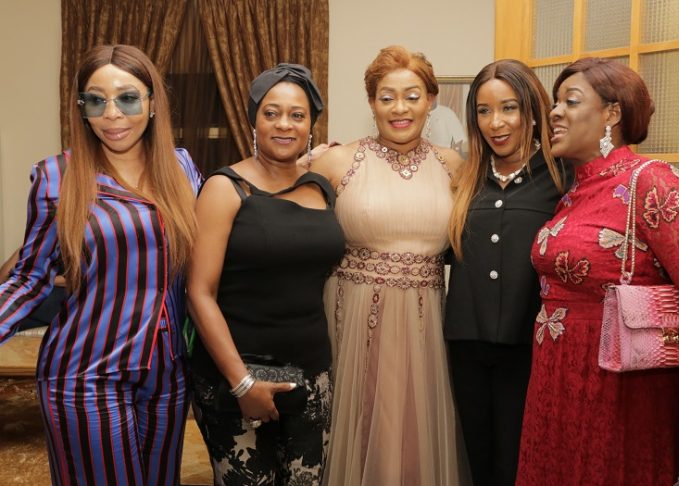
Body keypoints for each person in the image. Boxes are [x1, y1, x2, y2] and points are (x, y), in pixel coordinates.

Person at [516, 57, 679, 486]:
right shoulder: (574, 193)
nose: (554, 113)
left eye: (570, 101)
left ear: (612, 113)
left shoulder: (652, 182)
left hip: (621, 394)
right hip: (556, 387)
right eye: (555, 103)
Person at [0, 44, 201, 485]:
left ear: (152, 103)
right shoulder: (55, 176)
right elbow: (29, 277)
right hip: (86, 374)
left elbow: (218, 243)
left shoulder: (182, 169)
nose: (112, 114)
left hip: (167, 375)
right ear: (82, 109)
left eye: (128, 98)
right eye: (96, 100)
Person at [311, 45, 466, 486]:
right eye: (387, 97)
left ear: (431, 100)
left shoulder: (453, 166)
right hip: (353, 319)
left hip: (426, 325)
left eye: (412, 96)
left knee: (417, 436)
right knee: (359, 431)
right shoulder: (336, 162)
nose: (400, 108)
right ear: (371, 103)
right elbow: (294, 233)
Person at [187, 63, 344, 485]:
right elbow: (199, 293)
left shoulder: (321, 187)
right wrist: (242, 383)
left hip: (312, 373)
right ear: (253, 120)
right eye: (271, 113)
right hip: (236, 375)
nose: (284, 124)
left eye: (297, 115)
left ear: (311, 124)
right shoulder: (225, 188)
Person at [445, 60, 569, 486]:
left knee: (518, 465)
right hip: (466, 343)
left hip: (530, 345)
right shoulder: (464, 179)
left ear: (532, 111)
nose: (495, 122)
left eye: (508, 108)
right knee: (478, 462)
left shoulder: (562, 176)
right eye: (483, 111)